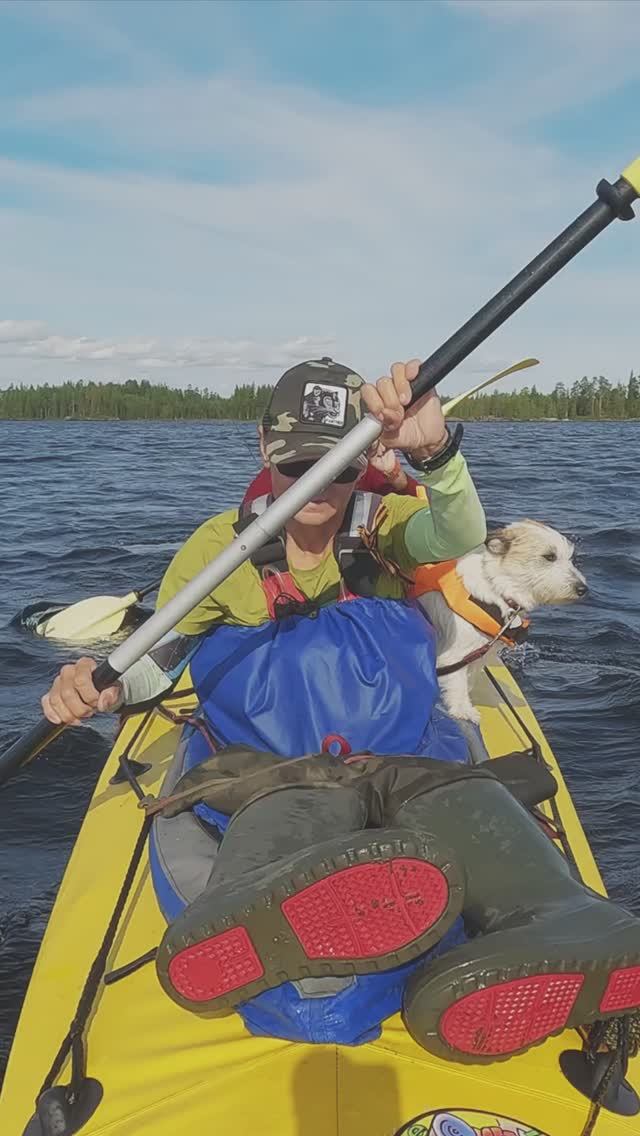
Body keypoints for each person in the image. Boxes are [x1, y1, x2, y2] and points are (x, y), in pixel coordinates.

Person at [41, 357, 640, 1059]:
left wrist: (435, 455)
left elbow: (459, 533)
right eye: (300, 465)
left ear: (366, 460)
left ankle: (562, 923)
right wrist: (105, 682)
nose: (320, 484)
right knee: (298, 813)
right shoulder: (218, 549)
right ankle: (255, 915)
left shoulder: (388, 524)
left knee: (460, 795)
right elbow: (158, 656)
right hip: (277, 765)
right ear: (264, 448)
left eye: (340, 464)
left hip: (403, 749)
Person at [243, 434, 422, 504]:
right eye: (297, 466)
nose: (319, 485)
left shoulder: (363, 466)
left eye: (340, 472)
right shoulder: (263, 491)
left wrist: (394, 474)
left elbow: (432, 518)